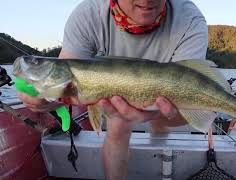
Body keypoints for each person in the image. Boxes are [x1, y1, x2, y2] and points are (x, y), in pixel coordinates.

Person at [18, 0, 208, 179]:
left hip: (172, 94)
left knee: (163, 119)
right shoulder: (89, 13)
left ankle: (158, 140)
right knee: (118, 123)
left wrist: (156, 114)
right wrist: (45, 98)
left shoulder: (190, 20)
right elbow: (65, 69)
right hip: (119, 93)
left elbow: (193, 91)